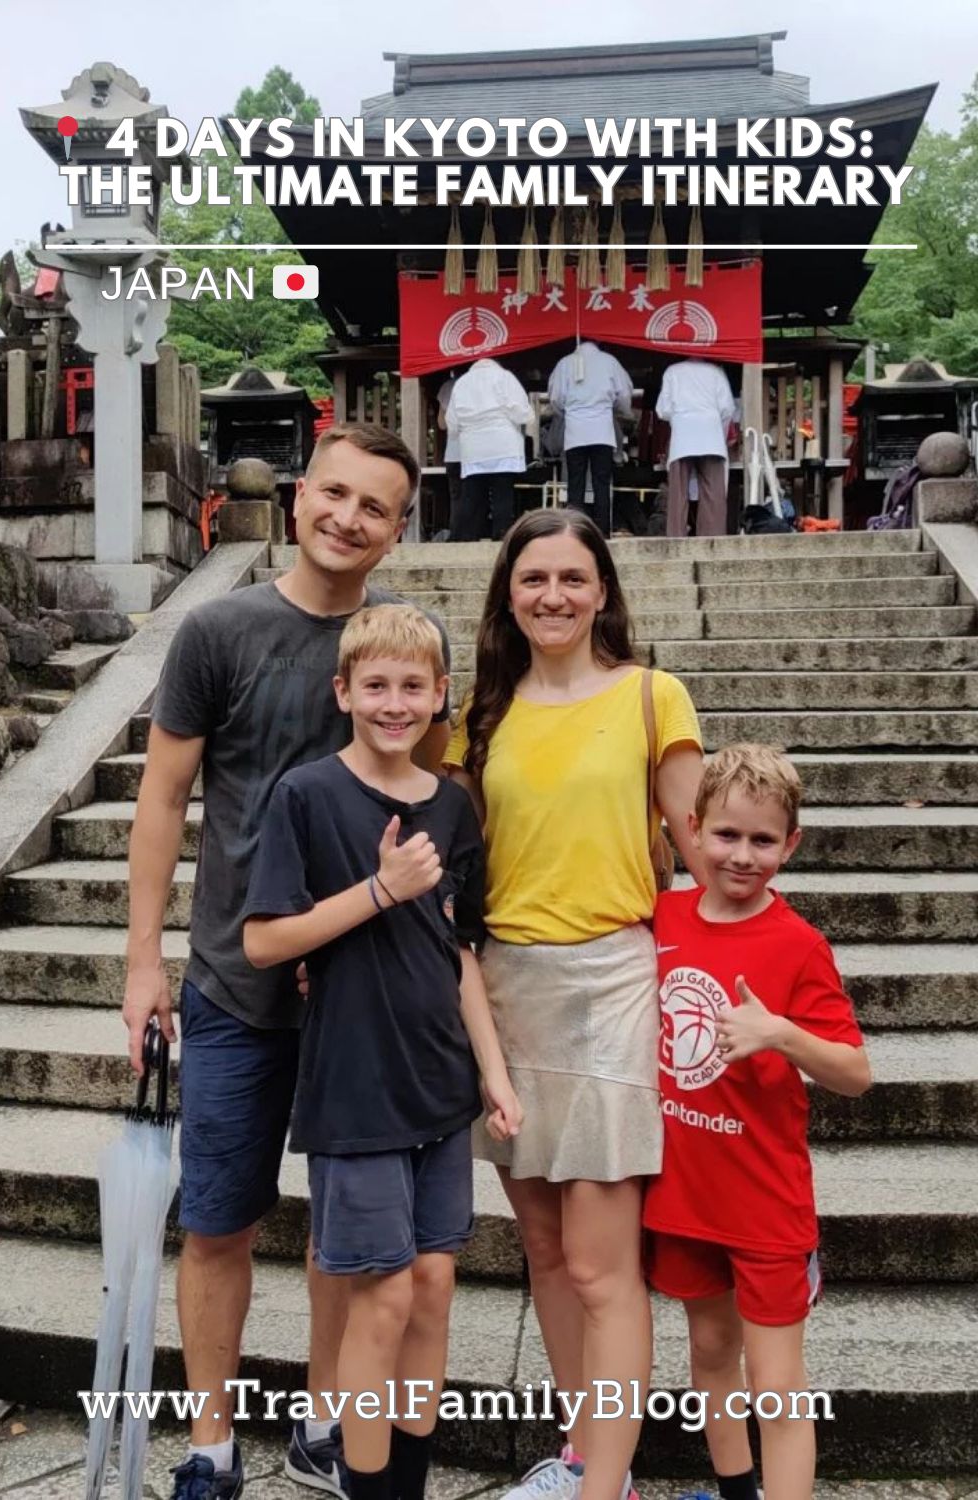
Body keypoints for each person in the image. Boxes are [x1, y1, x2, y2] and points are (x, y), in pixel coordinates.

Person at [122, 425, 453, 1500]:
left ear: (398, 529)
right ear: (301, 493)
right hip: (234, 978)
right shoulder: (219, 631)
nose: (348, 519)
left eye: (376, 508)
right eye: (336, 494)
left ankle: (324, 1420)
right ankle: (211, 1442)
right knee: (219, 1219)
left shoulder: (404, 645)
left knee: (346, 1236)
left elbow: (427, 801)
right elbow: (163, 800)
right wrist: (142, 963)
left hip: (363, 996)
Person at [444, 509, 706, 1500]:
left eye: (571, 578)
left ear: (602, 592)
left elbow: (701, 849)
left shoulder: (651, 696)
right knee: (547, 1253)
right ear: (508, 594)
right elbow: (456, 857)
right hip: (508, 990)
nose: (552, 596)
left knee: (602, 1266)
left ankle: (602, 1479)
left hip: (612, 986)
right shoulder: (482, 713)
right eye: (533, 578)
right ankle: (586, 1458)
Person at [242, 603, 522, 1500]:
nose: (394, 704)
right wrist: (380, 888)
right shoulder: (306, 796)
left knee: (434, 1285)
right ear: (343, 692)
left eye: (412, 686)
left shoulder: (452, 805)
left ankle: (406, 1483)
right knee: (384, 1293)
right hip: (356, 1086)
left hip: (440, 1080)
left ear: (440, 695)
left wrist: (494, 1072)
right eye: (376, 686)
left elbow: (459, 954)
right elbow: (264, 941)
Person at [644, 744, 871, 1500]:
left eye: (763, 840)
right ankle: (737, 1491)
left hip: (766, 1204)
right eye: (727, 835)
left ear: (791, 844)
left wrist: (782, 1034)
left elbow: (855, 1073)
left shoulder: (799, 945)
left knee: (776, 1384)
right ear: (693, 828)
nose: (743, 856)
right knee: (711, 1351)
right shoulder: (664, 918)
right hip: (684, 1195)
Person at [548, 340, 634, 538]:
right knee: (601, 482)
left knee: (575, 483)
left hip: (575, 430)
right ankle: (603, 531)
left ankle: (575, 532)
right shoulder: (610, 361)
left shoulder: (564, 363)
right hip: (602, 430)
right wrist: (619, 410)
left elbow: (555, 398)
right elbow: (624, 394)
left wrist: (566, 412)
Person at [446, 357, 532, 541]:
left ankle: (465, 537)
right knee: (503, 493)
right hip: (503, 444)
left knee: (472, 495)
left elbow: (452, 423)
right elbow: (522, 414)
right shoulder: (505, 377)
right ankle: (501, 534)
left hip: (473, 447)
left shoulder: (462, 383)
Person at [656, 359, 736, 538]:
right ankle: (712, 539)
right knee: (713, 495)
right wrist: (720, 432)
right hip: (711, 436)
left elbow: (663, 410)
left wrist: (680, 416)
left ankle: (676, 538)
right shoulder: (716, 372)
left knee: (678, 493)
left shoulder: (672, 370)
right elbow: (727, 408)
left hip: (683, 436)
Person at [436, 372, 464, 537]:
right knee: (476, 497)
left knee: (456, 497)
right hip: (478, 454)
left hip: (454, 453)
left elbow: (442, 423)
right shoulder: (481, 383)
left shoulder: (447, 387)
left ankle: (456, 535)